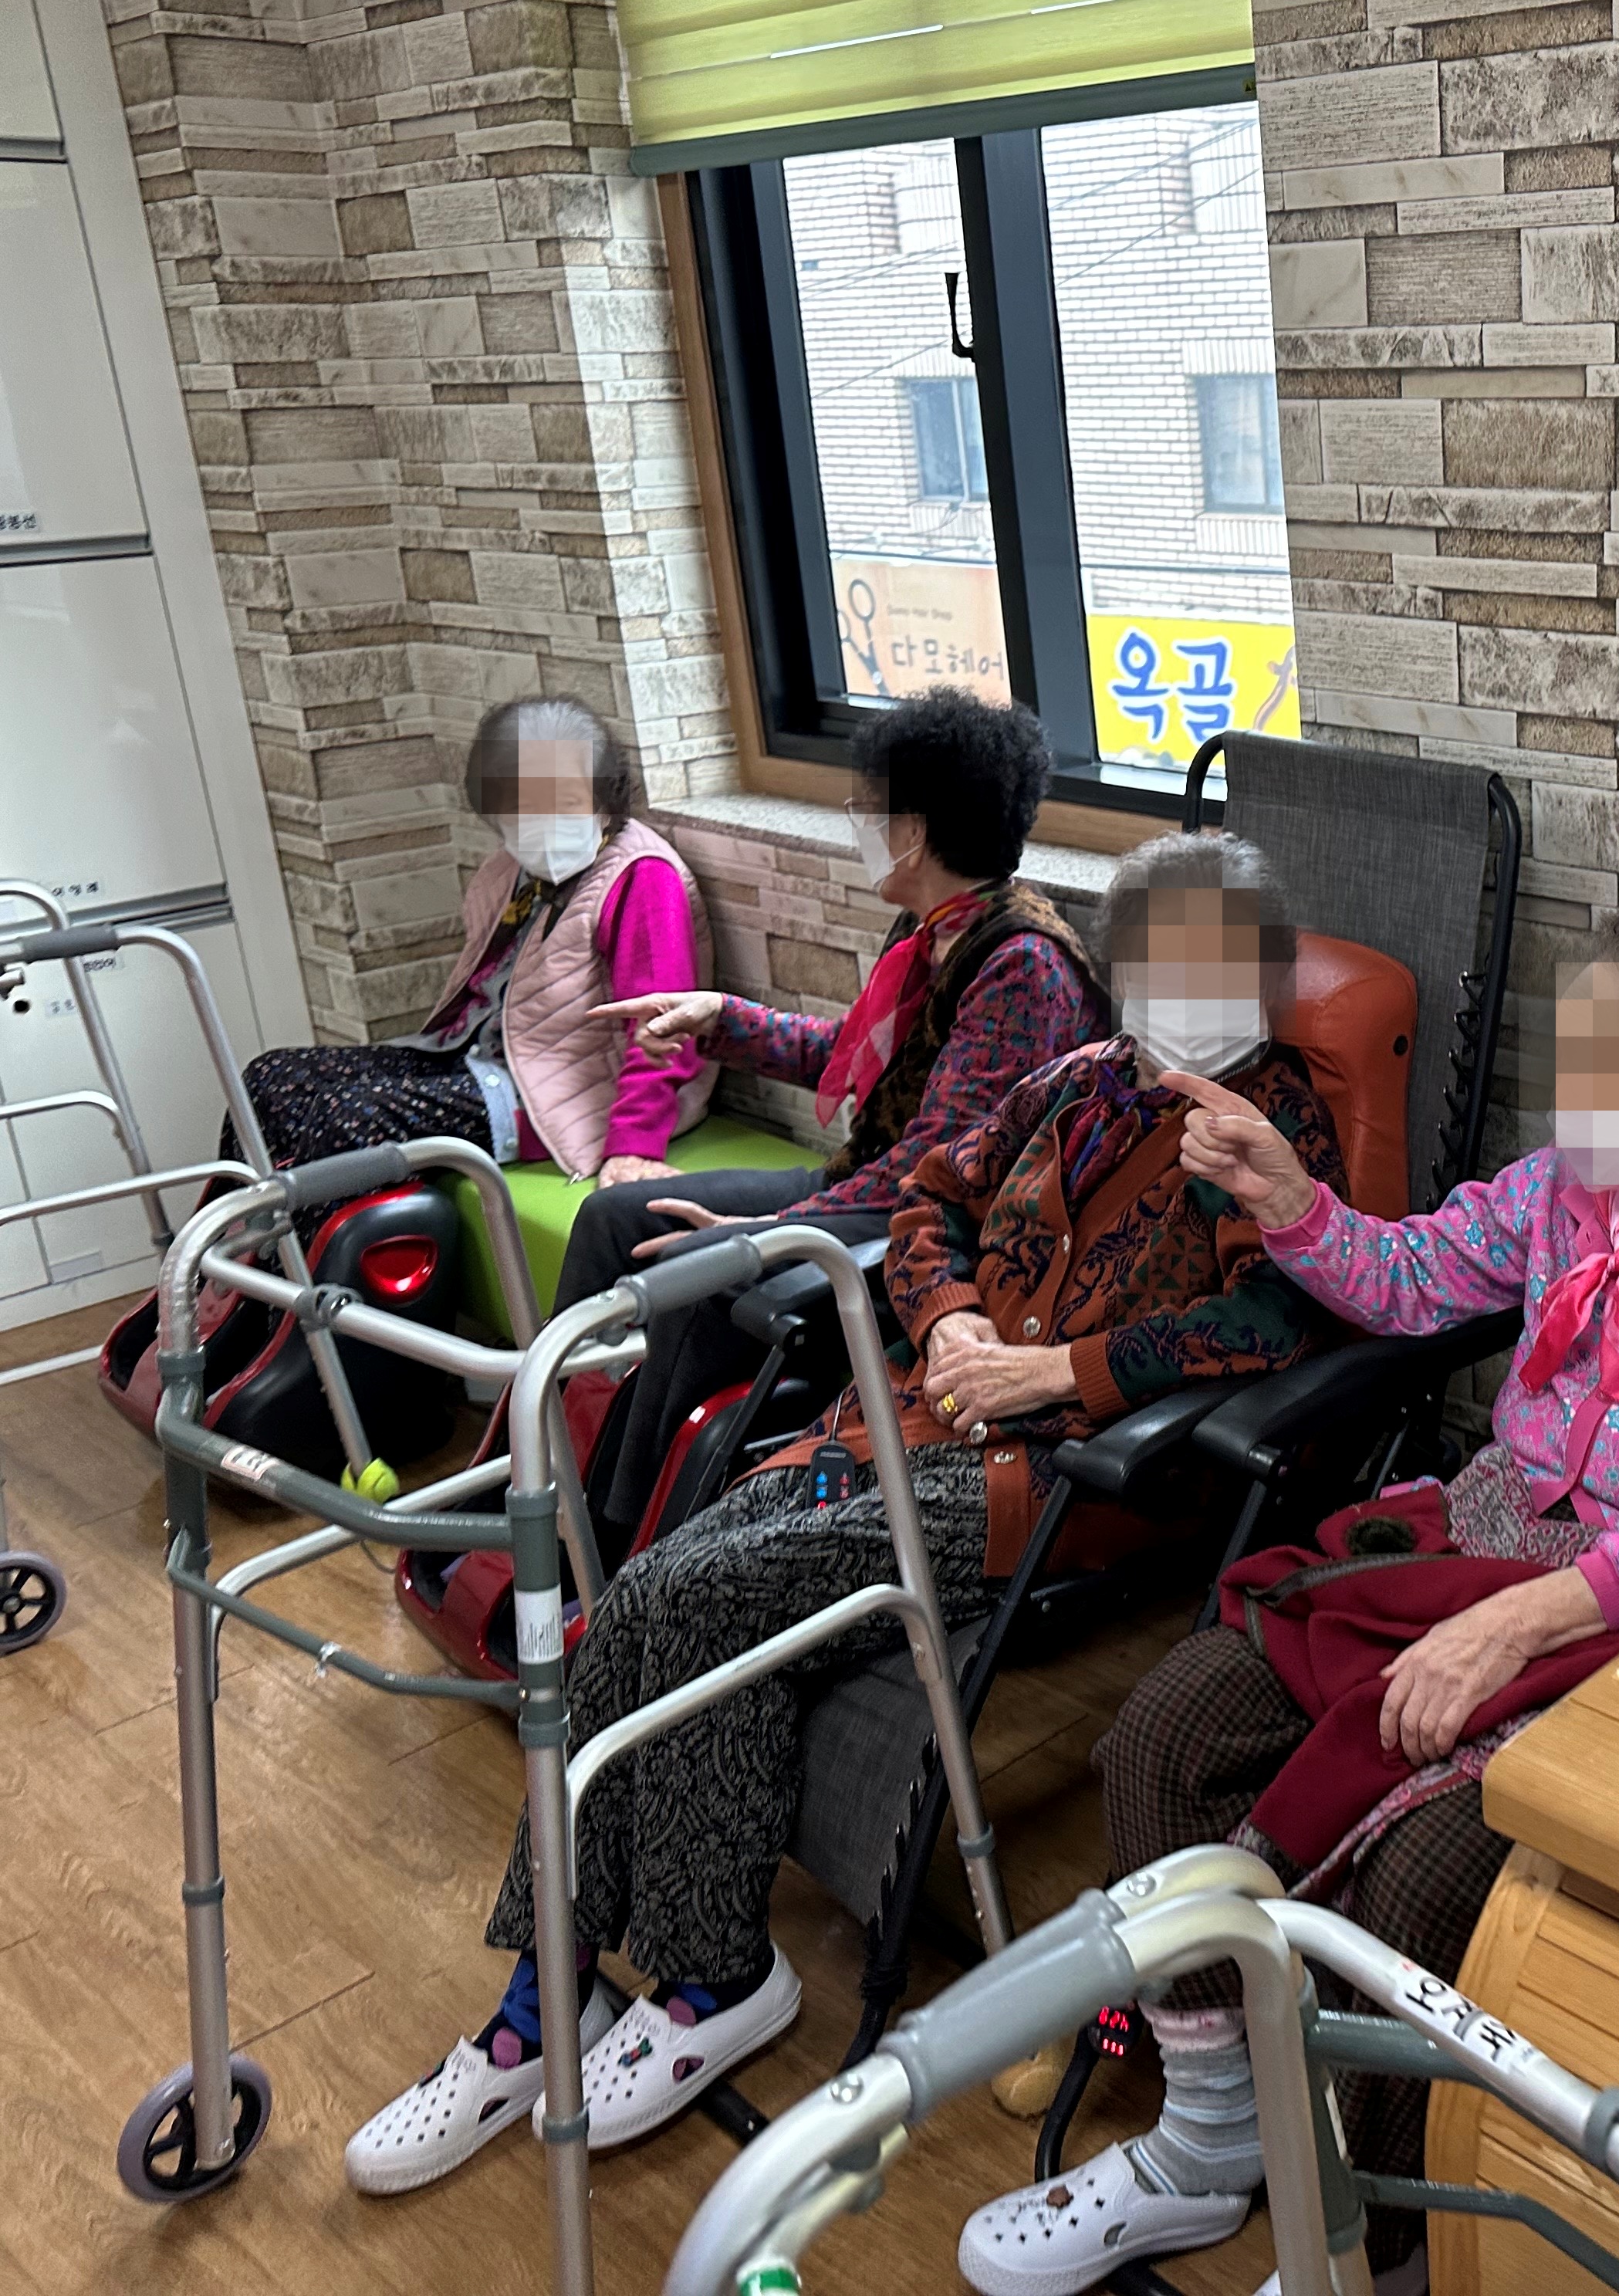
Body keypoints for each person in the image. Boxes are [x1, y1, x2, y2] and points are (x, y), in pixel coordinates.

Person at [342, 831, 1349, 2196]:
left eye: (1217, 957)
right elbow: (929, 1195)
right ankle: (548, 1992)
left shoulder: (1272, 1125)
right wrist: (948, 1320)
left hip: (1053, 1476)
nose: (1185, 981)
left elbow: (1275, 1319)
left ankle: (704, 1978)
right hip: (903, 1417)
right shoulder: (1074, 1081)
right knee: (655, 1590)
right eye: (1162, 955)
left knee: (690, 1597)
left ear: (1264, 971)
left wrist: (1062, 1371)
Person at [954, 895, 1619, 2296]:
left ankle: (1378, 2246)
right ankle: (1211, 2138)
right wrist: (1288, 1197)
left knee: (1424, 1869)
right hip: (1482, 1530)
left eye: (1587, 1063)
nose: (1556, 1091)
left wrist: (1511, 1621)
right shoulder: (1567, 1190)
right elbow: (1408, 1278)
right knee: (1161, 1734)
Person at [562, 688, 1106, 1548]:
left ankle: (618, 1539)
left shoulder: (1023, 968)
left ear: (914, 832)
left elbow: (934, 1170)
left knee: (701, 1272)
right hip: (864, 1185)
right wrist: (719, 1016)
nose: (859, 824)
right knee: (613, 1218)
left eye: (867, 808)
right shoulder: (935, 930)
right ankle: (549, 1469)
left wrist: (770, 1232)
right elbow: (860, 1058)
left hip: (934, 1230)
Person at [230, 695, 708, 1184]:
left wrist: (634, 1148)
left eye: (564, 800)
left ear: (605, 799)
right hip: (474, 1059)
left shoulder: (642, 878)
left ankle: (293, 1236)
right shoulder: (510, 871)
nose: (542, 820)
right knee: (268, 1080)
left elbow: (667, 1026)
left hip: (562, 1097)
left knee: (348, 1116)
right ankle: (233, 1231)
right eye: (522, 806)